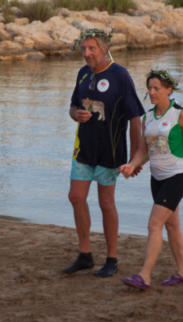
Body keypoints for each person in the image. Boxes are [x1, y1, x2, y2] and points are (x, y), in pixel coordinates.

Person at [63, 29, 144, 277]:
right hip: (83, 149)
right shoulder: (83, 73)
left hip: (110, 150)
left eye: (91, 48)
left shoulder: (119, 75)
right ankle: (85, 254)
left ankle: (112, 259)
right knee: (76, 197)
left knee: (106, 202)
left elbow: (135, 117)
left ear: (103, 48)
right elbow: (73, 106)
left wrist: (135, 157)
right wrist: (76, 114)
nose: (86, 53)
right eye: (83, 49)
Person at [120, 69, 183, 289]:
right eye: (149, 88)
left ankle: (144, 275)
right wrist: (132, 165)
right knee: (172, 226)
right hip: (157, 178)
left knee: (154, 224)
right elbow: (144, 151)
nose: (152, 92)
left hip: (177, 176)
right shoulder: (147, 117)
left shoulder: (180, 115)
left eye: (156, 88)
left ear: (168, 90)